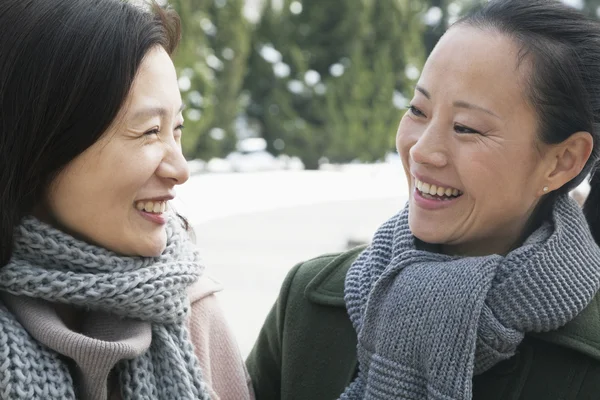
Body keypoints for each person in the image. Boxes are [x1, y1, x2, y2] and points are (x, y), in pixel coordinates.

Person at [246, 0, 600, 399]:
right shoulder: (310, 304)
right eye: (417, 109)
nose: (422, 151)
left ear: (562, 161)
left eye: (466, 128)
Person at [0, 0, 253, 399]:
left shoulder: (191, 312)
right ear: (41, 145)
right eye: (150, 131)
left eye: (178, 129)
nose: (180, 168)